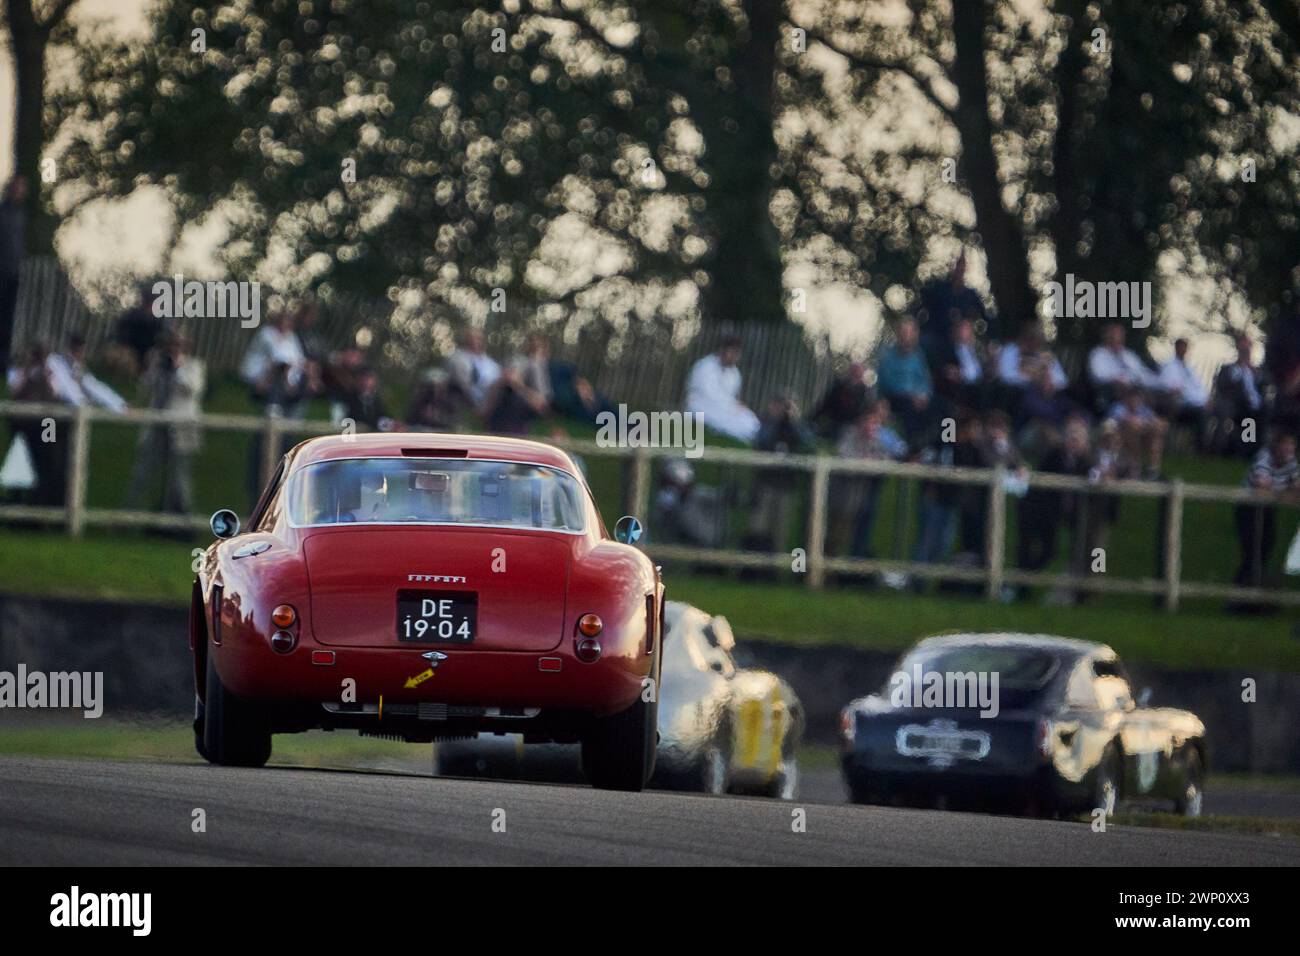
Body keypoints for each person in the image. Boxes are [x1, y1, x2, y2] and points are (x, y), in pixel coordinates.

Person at [124, 331, 206, 515]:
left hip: (181, 428)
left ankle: (183, 518)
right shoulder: (160, 366)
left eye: (178, 346)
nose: (174, 350)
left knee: (179, 477)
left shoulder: (194, 366)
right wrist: (153, 365)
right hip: (157, 425)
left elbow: (192, 388)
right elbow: (144, 386)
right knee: (143, 472)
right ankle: (128, 513)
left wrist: (178, 367)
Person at [743, 391, 816, 554]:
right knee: (758, 525)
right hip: (765, 484)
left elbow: (808, 443)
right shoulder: (765, 423)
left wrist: (793, 421)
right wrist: (777, 421)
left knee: (780, 528)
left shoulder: (795, 426)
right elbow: (762, 441)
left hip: (786, 486)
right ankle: (751, 565)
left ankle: (773, 568)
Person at [1233, 431, 1300, 593]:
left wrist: (1285, 490)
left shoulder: (1290, 461)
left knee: (1267, 543)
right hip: (1249, 508)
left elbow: (1297, 485)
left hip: (1268, 508)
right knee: (1252, 548)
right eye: (1284, 444)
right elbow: (1261, 486)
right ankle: (1242, 589)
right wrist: (1285, 491)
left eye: (1290, 445)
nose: (1287, 449)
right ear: (1276, 446)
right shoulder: (1263, 457)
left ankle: (1256, 586)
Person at [684, 335, 760, 443]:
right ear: (722, 350)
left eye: (737, 353)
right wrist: (732, 405)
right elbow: (709, 394)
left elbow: (731, 396)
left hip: (724, 407)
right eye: (732, 352)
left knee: (751, 421)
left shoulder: (735, 373)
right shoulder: (705, 366)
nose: (734, 356)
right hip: (701, 405)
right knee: (729, 422)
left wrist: (735, 406)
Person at [915, 251, 989, 352]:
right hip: (937, 336)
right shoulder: (939, 289)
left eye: (962, 266)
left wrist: (965, 324)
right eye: (957, 265)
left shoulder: (970, 295)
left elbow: (981, 316)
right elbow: (925, 308)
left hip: (960, 341)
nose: (960, 269)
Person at [875, 317, 933, 443]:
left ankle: (943, 446)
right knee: (908, 406)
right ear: (898, 333)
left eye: (910, 332)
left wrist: (924, 395)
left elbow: (925, 380)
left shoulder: (918, 355)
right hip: (893, 398)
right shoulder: (888, 355)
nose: (906, 335)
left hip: (917, 398)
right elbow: (888, 383)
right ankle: (912, 446)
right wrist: (913, 395)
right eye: (903, 332)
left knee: (943, 407)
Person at [1210, 333, 1267, 456]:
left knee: (1262, 415)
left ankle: (1255, 451)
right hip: (1237, 404)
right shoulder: (1229, 369)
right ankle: (1234, 450)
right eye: (1243, 350)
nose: (1245, 353)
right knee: (1247, 417)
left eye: (1247, 349)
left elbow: (1264, 385)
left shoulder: (1256, 371)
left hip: (1256, 405)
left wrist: (1254, 373)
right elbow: (1221, 386)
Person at [46, 335, 128, 412]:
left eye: (81, 351)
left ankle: (120, 405)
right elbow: (61, 381)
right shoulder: (55, 360)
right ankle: (81, 403)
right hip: (57, 388)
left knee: (91, 383)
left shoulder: (77, 365)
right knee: (66, 378)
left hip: (73, 388)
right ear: (71, 348)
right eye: (78, 350)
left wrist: (79, 371)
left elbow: (92, 384)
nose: (81, 354)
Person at [1087, 322, 1157, 408]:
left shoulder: (1128, 354)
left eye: (1119, 335)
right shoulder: (1098, 354)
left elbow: (1141, 371)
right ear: (1107, 337)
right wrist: (1117, 379)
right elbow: (1098, 375)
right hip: (1111, 389)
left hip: (1135, 386)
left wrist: (1158, 381)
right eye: (1114, 335)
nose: (1117, 338)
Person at [1105, 385, 1168, 478]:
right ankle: (1134, 467)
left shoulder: (1144, 410)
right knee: (1132, 429)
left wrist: (1149, 424)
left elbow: (1160, 424)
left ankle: (1153, 470)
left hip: (1140, 439)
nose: (1136, 401)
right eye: (1133, 397)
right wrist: (1144, 424)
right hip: (1118, 438)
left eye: (1138, 398)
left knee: (1156, 436)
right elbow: (1124, 422)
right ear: (1127, 398)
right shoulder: (1118, 407)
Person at [1156, 337, 1208, 445]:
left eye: (1185, 347)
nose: (1184, 350)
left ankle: (1205, 448)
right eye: (1181, 347)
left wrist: (1205, 400)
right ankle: (1201, 446)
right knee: (1199, 414)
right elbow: (1167, 385)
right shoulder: (1169, 365)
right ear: (1176, 348)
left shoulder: (1189, 368)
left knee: (1206, 412)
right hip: (1179, 404)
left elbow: (1198, 387)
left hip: (1195, 403)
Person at [0, 175, 28, 373]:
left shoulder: (20, 215)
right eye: (17, 188)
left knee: (8, 318)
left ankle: (3, 361)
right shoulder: (2, 213)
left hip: (13, 273)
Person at [111, 283, 166, 377]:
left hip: (146, 353)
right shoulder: (135, 315)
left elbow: (160, 338)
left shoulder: (156, 320)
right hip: (130, 350)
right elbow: (122, 331)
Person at [811, 361, 872, 440]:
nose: (855, 374)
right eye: (854, 371)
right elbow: (826, 403)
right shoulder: (839, 386)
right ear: (850, 372)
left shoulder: (864, 391)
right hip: (836, 422)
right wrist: (813, 418)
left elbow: (866, 410)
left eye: (858, 372)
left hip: (853, 425)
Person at [446, 329, 501, 415]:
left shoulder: (491, 364)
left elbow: (497, 379)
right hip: (468, 396)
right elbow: (463, 383)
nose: (475, 341)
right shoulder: (458, 359)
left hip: (491, 395)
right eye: (472, 338)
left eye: (478, 338)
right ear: (466, 340)